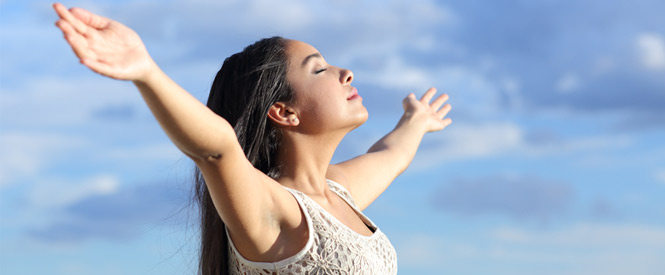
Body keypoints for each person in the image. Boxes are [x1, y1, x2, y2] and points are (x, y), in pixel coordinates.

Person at [53, 2, 452, 274]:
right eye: (319, 70)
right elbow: (216, 149)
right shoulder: (275, 210)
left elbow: (391, 154)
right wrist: (147, 72)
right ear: (284, 111)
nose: (344, 73)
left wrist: (415, 122)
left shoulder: (339, 194)